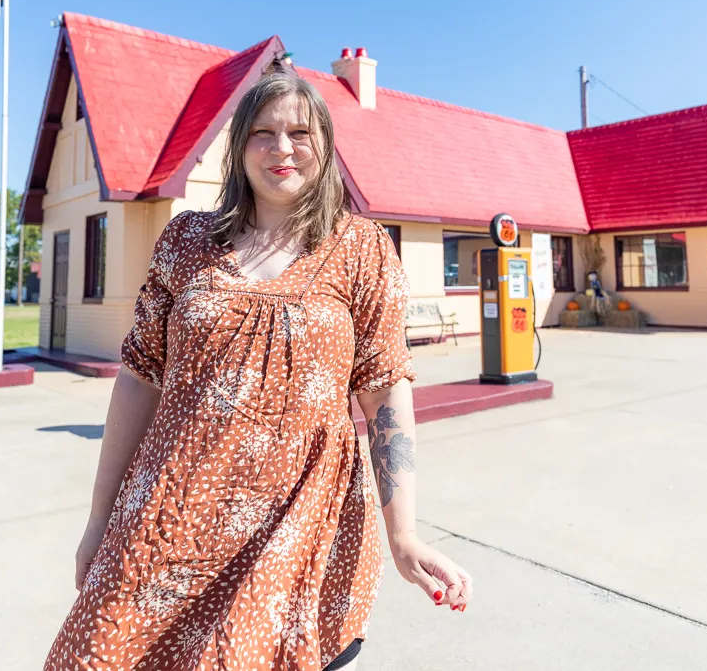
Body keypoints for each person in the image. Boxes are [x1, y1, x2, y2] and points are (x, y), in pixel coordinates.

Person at [44, 69, 473, 671]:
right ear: (239, 145)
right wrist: (99, 521)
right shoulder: (185, 239)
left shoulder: (362, 248)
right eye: (263, 132)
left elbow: (384, 391)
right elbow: (139, 378)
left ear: (324, 146)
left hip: (299, 532)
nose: (281, 148)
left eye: (300, 132)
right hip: (169, 524)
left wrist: (403, 531)